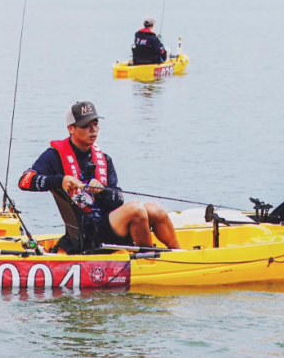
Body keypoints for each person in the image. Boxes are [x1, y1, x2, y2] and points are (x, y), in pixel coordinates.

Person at [18, 101, 181, 252]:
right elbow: (25, 180)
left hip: (109, 224)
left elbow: (118, 200)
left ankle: (180, 253)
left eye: (95, 124)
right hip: (86, 234)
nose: (93, 130)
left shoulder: (104, 159)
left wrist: (103, 191)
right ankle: (149, 257)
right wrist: (60, 180)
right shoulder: (54, 156)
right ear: (71, 128)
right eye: (85, 126)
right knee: (136, 209)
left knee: (155, 209)